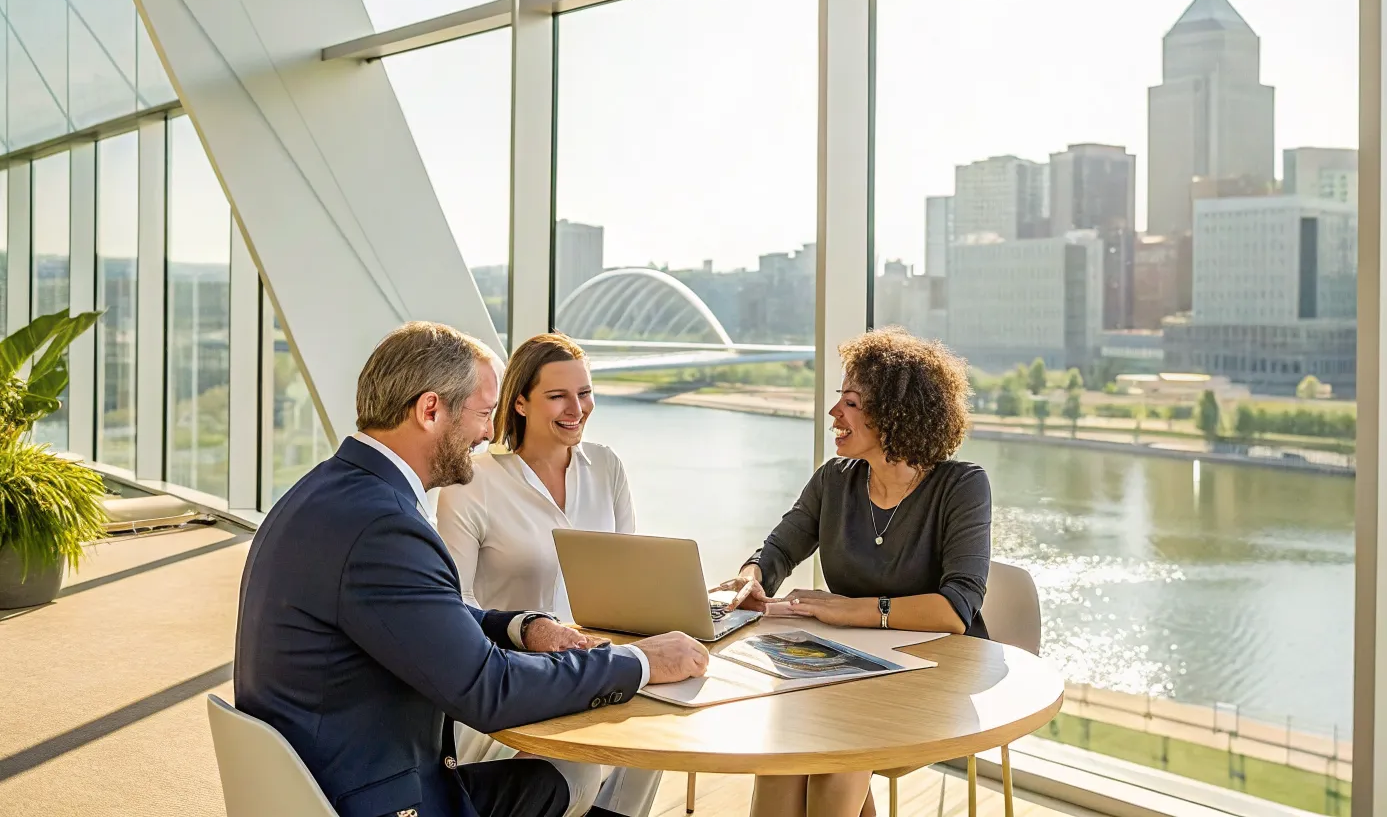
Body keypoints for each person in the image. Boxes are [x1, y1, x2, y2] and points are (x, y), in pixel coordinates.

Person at [235, 321, 709, 817]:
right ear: (431, 410)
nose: (488, 432)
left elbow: (420, 611)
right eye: (484, 413)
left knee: (573, 771)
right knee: (581, 769)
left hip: (335, 772)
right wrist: (641, 662)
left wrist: (522, 627)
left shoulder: (328, 492)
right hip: (386, 798)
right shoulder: (384, 526)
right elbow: (489, 690)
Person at [717, 329, 992, 817]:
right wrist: (751, 575)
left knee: (832, 751)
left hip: (934, 673)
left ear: (895, 414)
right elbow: (779, 549)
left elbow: (955, 611)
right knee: (784, 750)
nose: (833, 414)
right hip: (848, 666)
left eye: (850, 402)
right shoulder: (833, 480)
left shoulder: (962, 486)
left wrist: (850, 611)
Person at [439, 333, 661, 817]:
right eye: (558, 396)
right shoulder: (471, 483)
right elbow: (456, 608)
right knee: (580, 763)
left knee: (654, 740)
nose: (576, 408)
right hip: (512, 683)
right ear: (518, 401)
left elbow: (628, 582)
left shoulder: (606, 466)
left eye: (584, 393)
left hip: (593, 668)